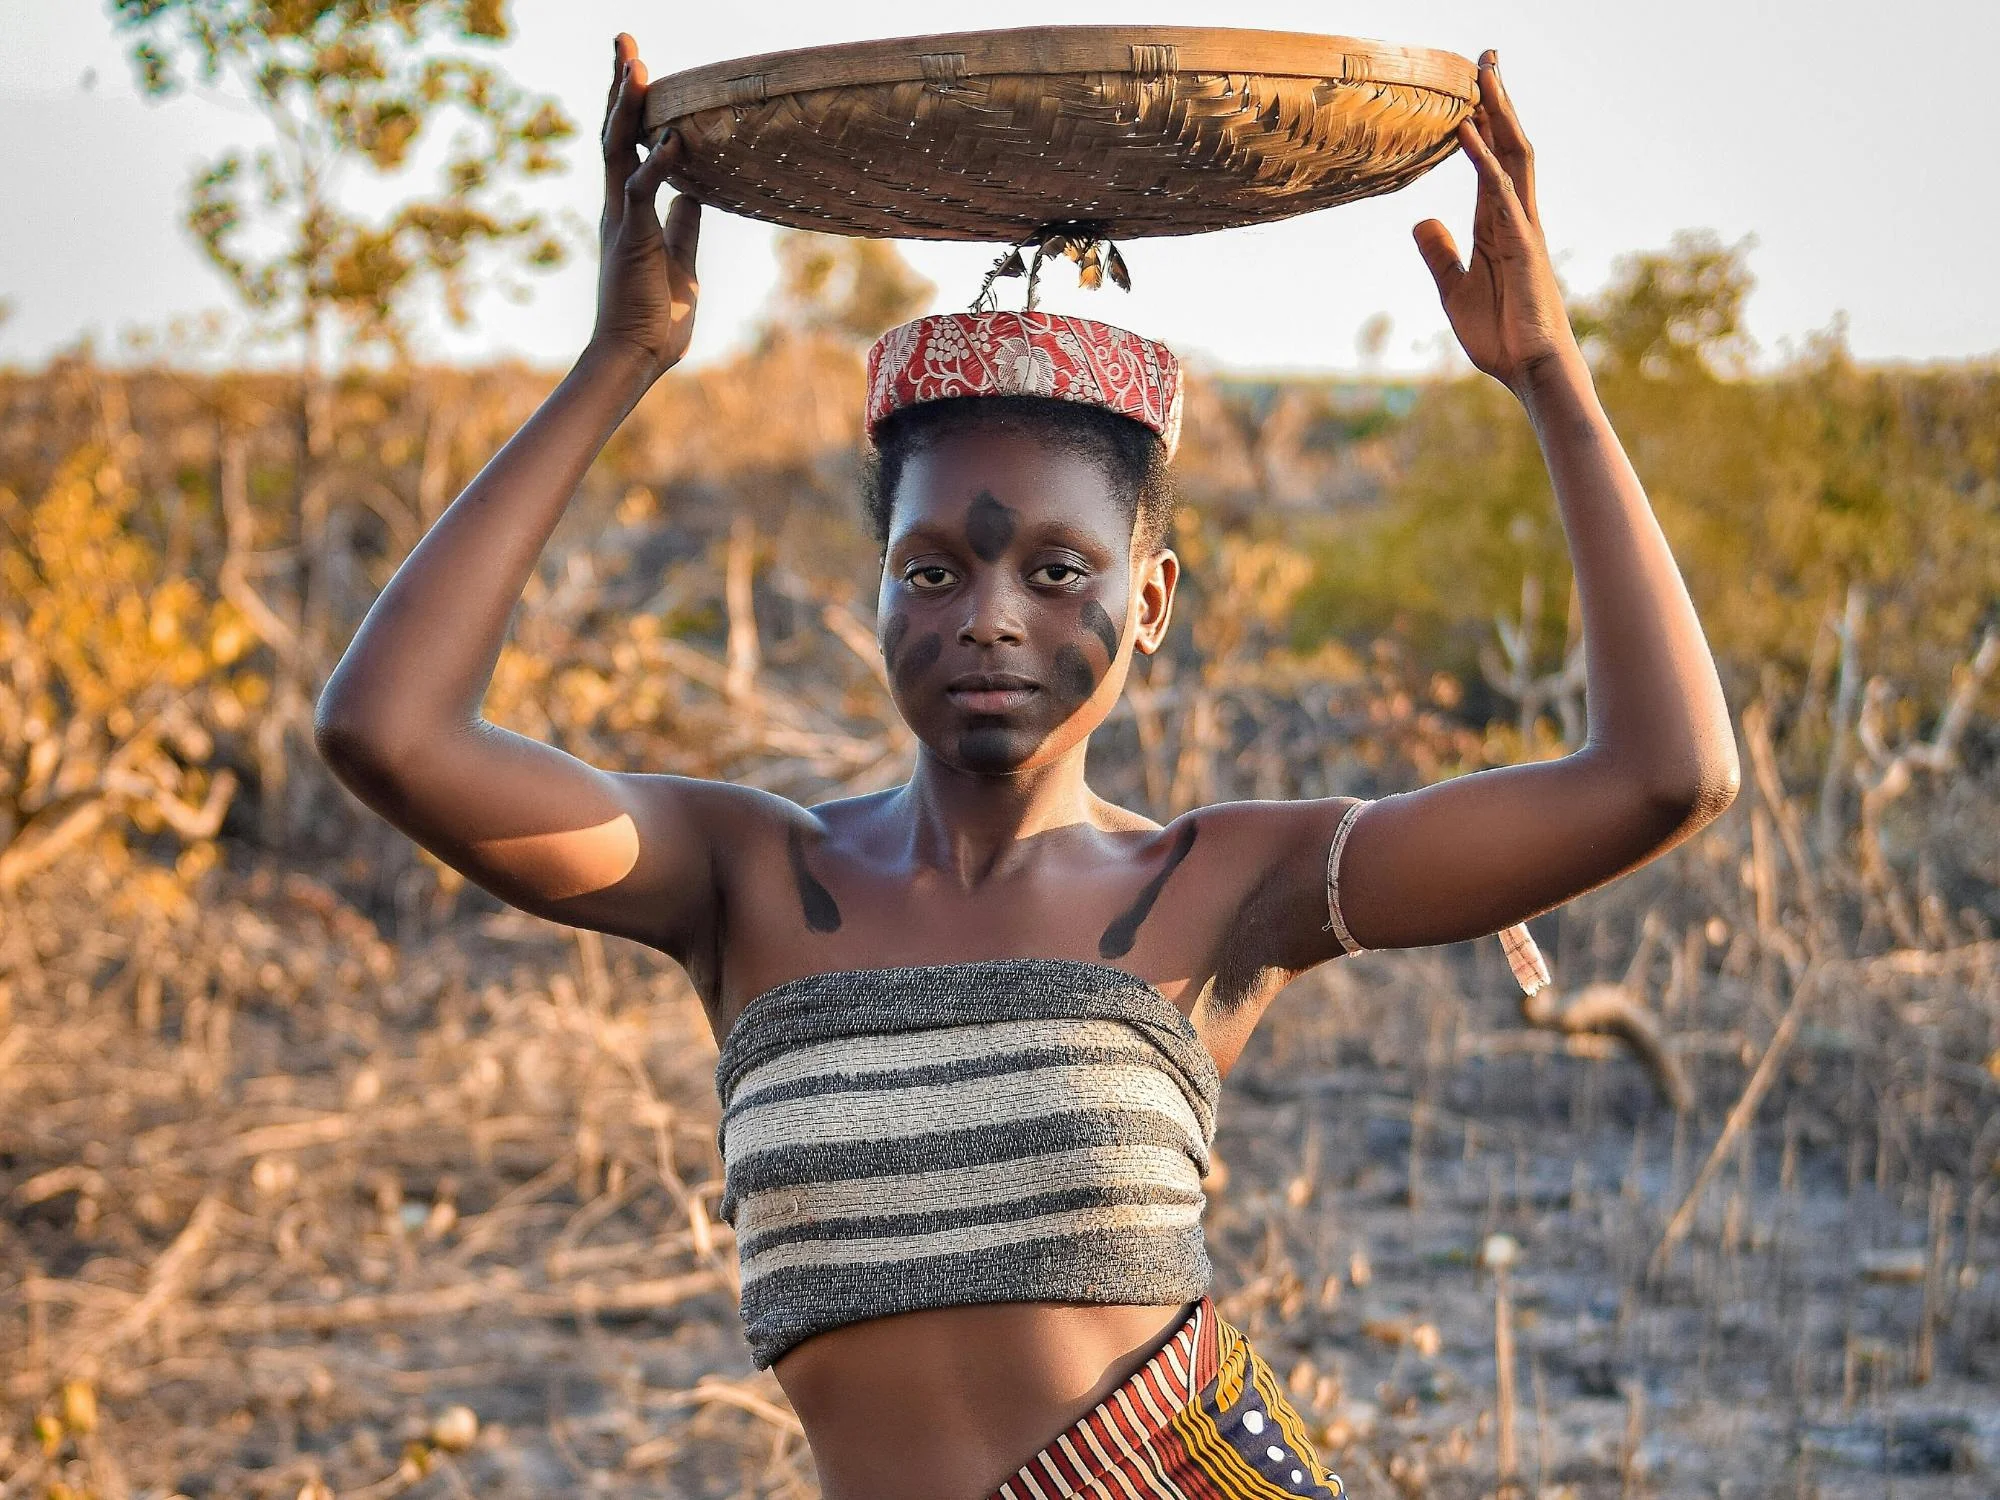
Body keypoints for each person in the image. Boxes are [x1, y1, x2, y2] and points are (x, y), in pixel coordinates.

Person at [313, 32, 1739, 1500]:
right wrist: (619, 362)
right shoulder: (743, 877)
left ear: (1155, 599)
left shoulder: (1223, 885)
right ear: (875, 591)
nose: (991, 614)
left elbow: (1662, 774)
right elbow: (391, 732)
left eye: (1061, 567)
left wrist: (1551, 374)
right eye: (931, 570)